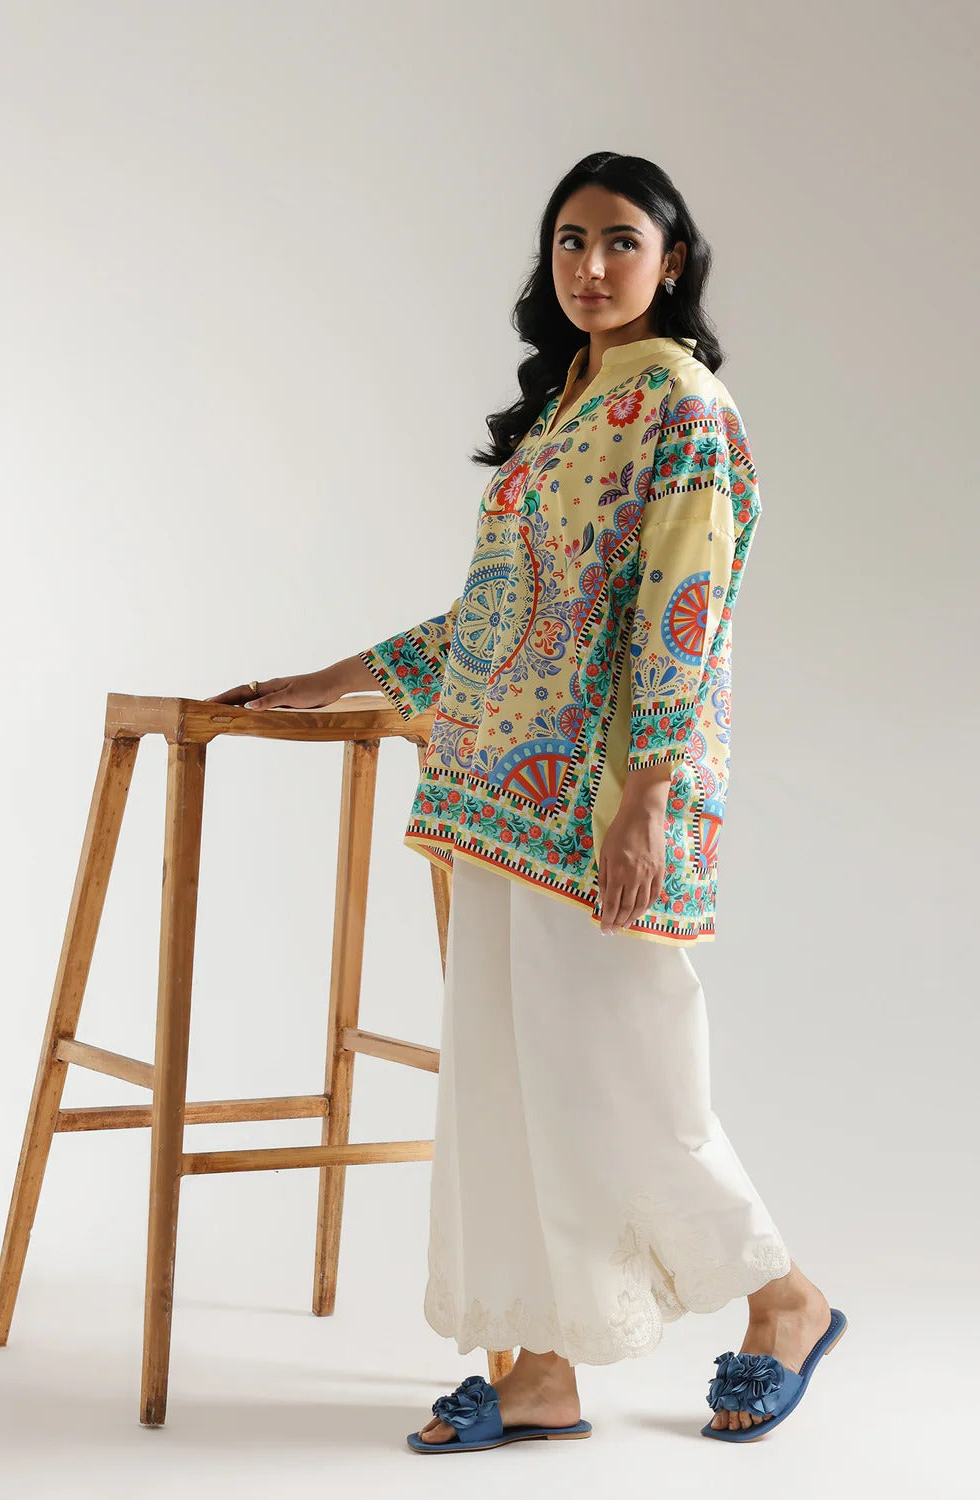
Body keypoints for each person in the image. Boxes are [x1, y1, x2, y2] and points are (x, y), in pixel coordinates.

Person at [207, 151, 846, 1449]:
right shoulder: (565, 410)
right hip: (496, 801)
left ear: (672, 260)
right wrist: (334, 677)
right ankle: (541, 1373)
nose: (591, 266)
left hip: (601, 805)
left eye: (620, 241)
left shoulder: (682, 404)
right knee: (508, 1094)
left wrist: (648, 797)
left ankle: (785, 1299)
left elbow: (684, 612)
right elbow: (501, 619)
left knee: (627, 1082)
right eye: (569, 241)